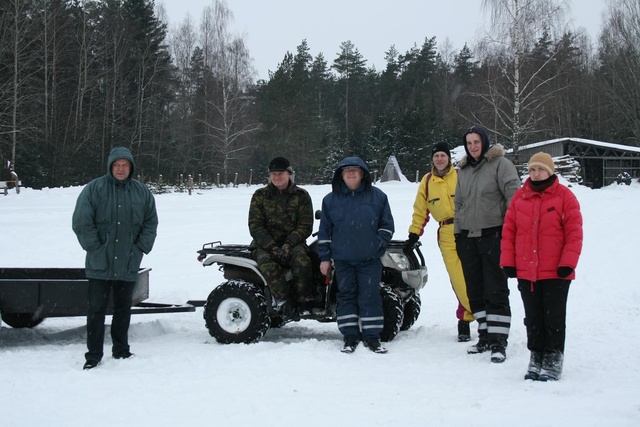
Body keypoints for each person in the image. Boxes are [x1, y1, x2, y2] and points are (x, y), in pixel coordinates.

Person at [72, 146, 158, 370]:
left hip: (128, 261)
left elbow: (150, 223)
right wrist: (95, 248)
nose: (121, 169)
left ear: (131, 167)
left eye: (125, 165)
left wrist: (140, 248)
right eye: (117, 165)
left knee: (122, 309)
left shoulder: (142, 192)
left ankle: (121, 349)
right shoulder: (94, 189)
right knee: (96, 311)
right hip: (100, 263)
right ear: (111, 167)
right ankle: (93, 354)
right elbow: (82, 221)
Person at [501, 152, 583, 381]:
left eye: (541, 169)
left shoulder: (565, 197)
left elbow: (574, 233)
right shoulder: (520, 198)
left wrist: (568, 263)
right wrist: (508, 261)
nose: (536, 174)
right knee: (533, 317)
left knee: (553, 316)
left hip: (556, 271)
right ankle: (536, 356)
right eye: (533, 170)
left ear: (550, 171)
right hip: (527, 271)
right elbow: (509, 233)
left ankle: (553, 357)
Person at [454, 125, 520, 363]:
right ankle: (484, 335)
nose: (473, 147)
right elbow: (459, 204)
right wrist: (458, 232)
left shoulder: (501, 164)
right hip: (468, 239)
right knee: (476, 291)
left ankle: (498, 341)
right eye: (469, 143)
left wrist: (508, 228)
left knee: (496, 290)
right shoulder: (463, 171)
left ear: (485, 142)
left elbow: (514, 195)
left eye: (476, 142)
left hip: (494, 235)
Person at [318, 157, 395, 354]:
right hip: (343, 260)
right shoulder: (330, 200)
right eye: (347, 171)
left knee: (370, 296)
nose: (351, 174)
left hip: (369, 260)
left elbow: (387, 227)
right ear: (341, 175)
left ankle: (372, 337)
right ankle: (350, 336)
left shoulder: (378, 197)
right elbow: (325, 232)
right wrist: (325, 258)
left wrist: (376, 244)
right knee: (346, 297)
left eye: (355, 170)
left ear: (363, 174)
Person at [405, 142, 475, 342]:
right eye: (436, 156)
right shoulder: (427, 181)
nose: (440, 159)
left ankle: (472, 318)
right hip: (446, 231)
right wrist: (413, 234)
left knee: (473, 274)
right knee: (457, 278)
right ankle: (468, 317)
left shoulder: (461, 175)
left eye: (443, 155)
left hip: (469, 229)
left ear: (448, 158)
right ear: (432, 159)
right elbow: (421, 210)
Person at [248, 157, 315, 317]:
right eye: (274, 174)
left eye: (281, 174)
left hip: (294, 243)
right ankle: (284, 301)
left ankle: (304, 300)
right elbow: (255, 226)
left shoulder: (301, 196)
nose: (277, 177)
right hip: (264, 244)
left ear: (289, 174)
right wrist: (272, 247)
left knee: (302, 261)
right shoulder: (260, 196)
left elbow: (305, 225)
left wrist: (288, 245)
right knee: (268, 266)